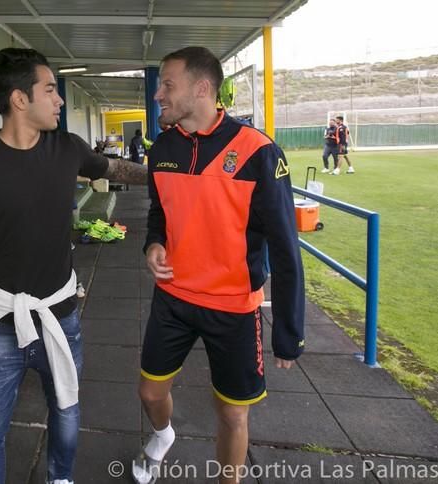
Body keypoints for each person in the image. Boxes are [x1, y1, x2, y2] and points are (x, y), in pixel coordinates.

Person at [0, 47, 147, 484]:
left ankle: (61, 478)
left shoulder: (67, 148)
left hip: (62, 313)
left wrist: (164, 171)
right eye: (50, 89)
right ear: (20, 99)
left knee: (66, 410)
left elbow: (114, 168)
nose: (59, 100)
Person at [133, 46, 305, 484]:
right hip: (172, 298)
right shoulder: (163, 148)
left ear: (203, 88)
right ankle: (162, 436)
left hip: (233, 307)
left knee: (232, 415)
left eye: (168, 85)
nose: (158, 95)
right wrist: (154, 243)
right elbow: (160, 213)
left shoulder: (258, 152)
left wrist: (288, 330)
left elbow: (286, 248)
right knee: (150, 392)